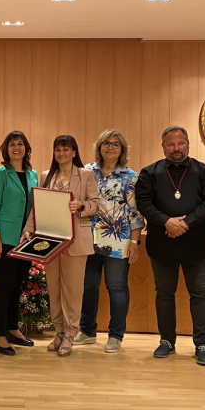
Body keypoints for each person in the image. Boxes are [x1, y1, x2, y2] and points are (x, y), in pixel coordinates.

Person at [135, 126, 205, 366]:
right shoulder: (149, 173)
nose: (176, 148)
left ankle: (202, 344)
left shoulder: (204, 171)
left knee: (201, 295)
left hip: (197, 245)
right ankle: (166, 341)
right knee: (164, 295)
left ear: (188, 144)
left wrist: (186, 223)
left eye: (181, 143)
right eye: (171, 144)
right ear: (163, 147)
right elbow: (143, 203)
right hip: (162, 245)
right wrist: (166, 221)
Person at [22, 135, 99, 357]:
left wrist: (81, 204)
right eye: (57, 149)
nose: (61, 153)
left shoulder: (85, 175)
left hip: (76, 241)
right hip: (50, 241)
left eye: (66, 149)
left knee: (73, 291)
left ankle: (70, 334)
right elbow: (37, 207)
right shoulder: (46, 176)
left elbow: (95, 204)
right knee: (54, 289)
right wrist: (28, 229)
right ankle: (58, 331)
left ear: (74, 152)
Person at [75, 129, 144, 354]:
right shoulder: (86, 172)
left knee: (116, 287)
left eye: (115, 144)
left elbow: (135, 213)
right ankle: (86, 331)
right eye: (106, 143)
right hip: (87, 238)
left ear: (122, 149)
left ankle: (115, 335)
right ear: (99, 147)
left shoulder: (131, 177)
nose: (110, 147)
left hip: (118, 240)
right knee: (87, 286)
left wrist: (135, 243)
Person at [0, 130, 38, 356]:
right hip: (4, 238)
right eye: (12, 144)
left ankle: (12, 328)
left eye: (20, 144)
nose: (16, 147)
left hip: (25, 239)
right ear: (6, 149)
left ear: (26, 148)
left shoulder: (33, 174)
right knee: (4, 286)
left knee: (17, 286)